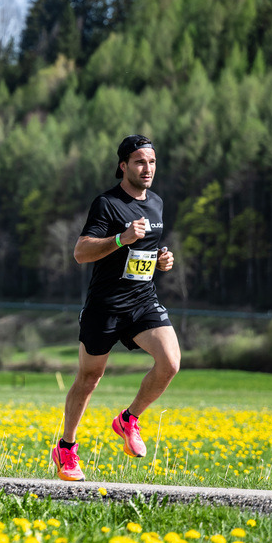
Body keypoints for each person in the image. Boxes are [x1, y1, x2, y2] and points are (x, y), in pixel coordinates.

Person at [51, 134, 179, 482]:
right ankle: (66, 447)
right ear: (123, 166)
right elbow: (81, 252)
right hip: (105, 306)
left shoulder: (157, 204)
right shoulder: (106, 204)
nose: (147, 168)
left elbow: (145, 253)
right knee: (89, 378)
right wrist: (121, 238)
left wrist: (161, 260)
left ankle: (129, 419)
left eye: (151, 162)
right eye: (139, 161)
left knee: (170, 362)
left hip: (142, 301)